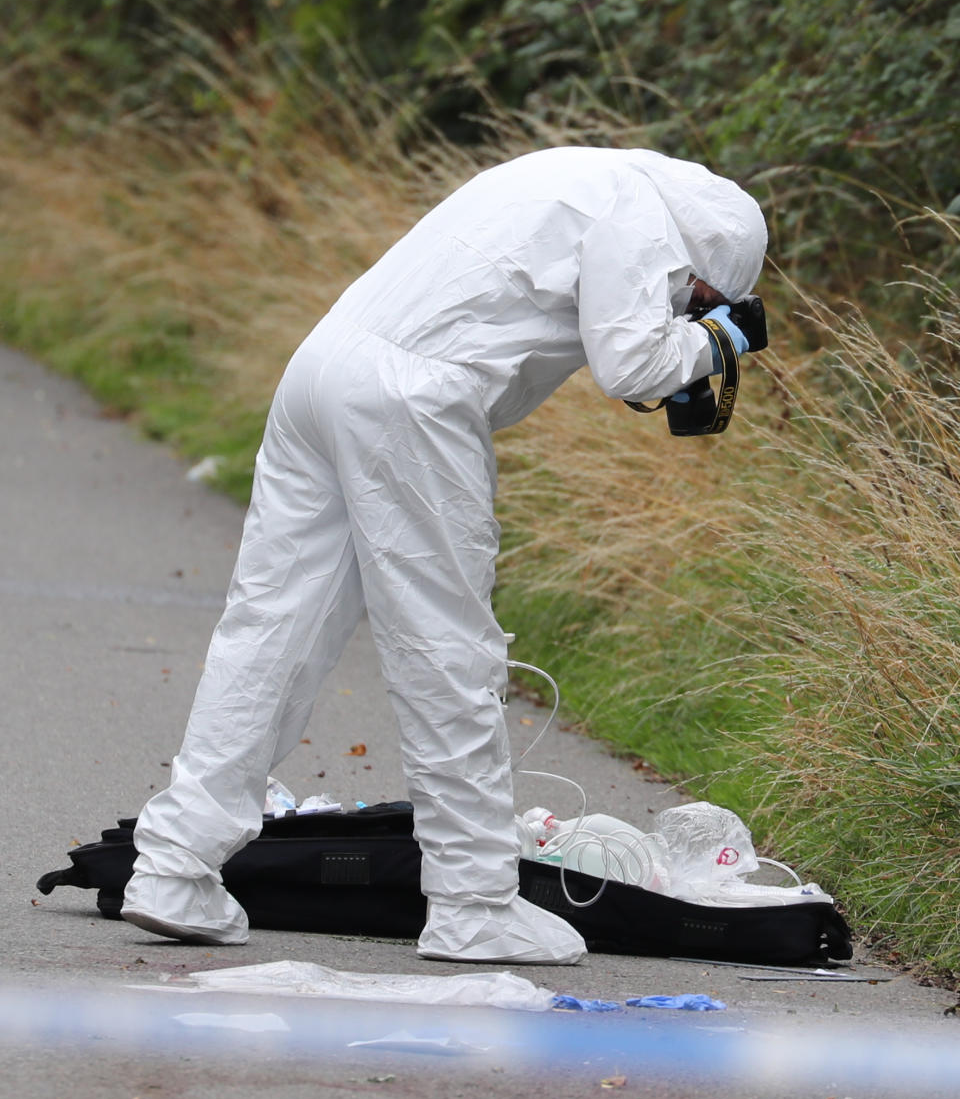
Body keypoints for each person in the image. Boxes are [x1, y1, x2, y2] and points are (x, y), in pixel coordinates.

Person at [121, 146, 767, 964]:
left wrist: (696, 329)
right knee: (447, 649)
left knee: (268, 632)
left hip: (322, 370)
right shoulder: (643, 219)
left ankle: (173, 868)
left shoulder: (571, 173)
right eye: (699, 294)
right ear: (703, 259)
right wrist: (719, 339)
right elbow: (631, 362)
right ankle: (472, 902)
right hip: (410, 399)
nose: (689, 304)